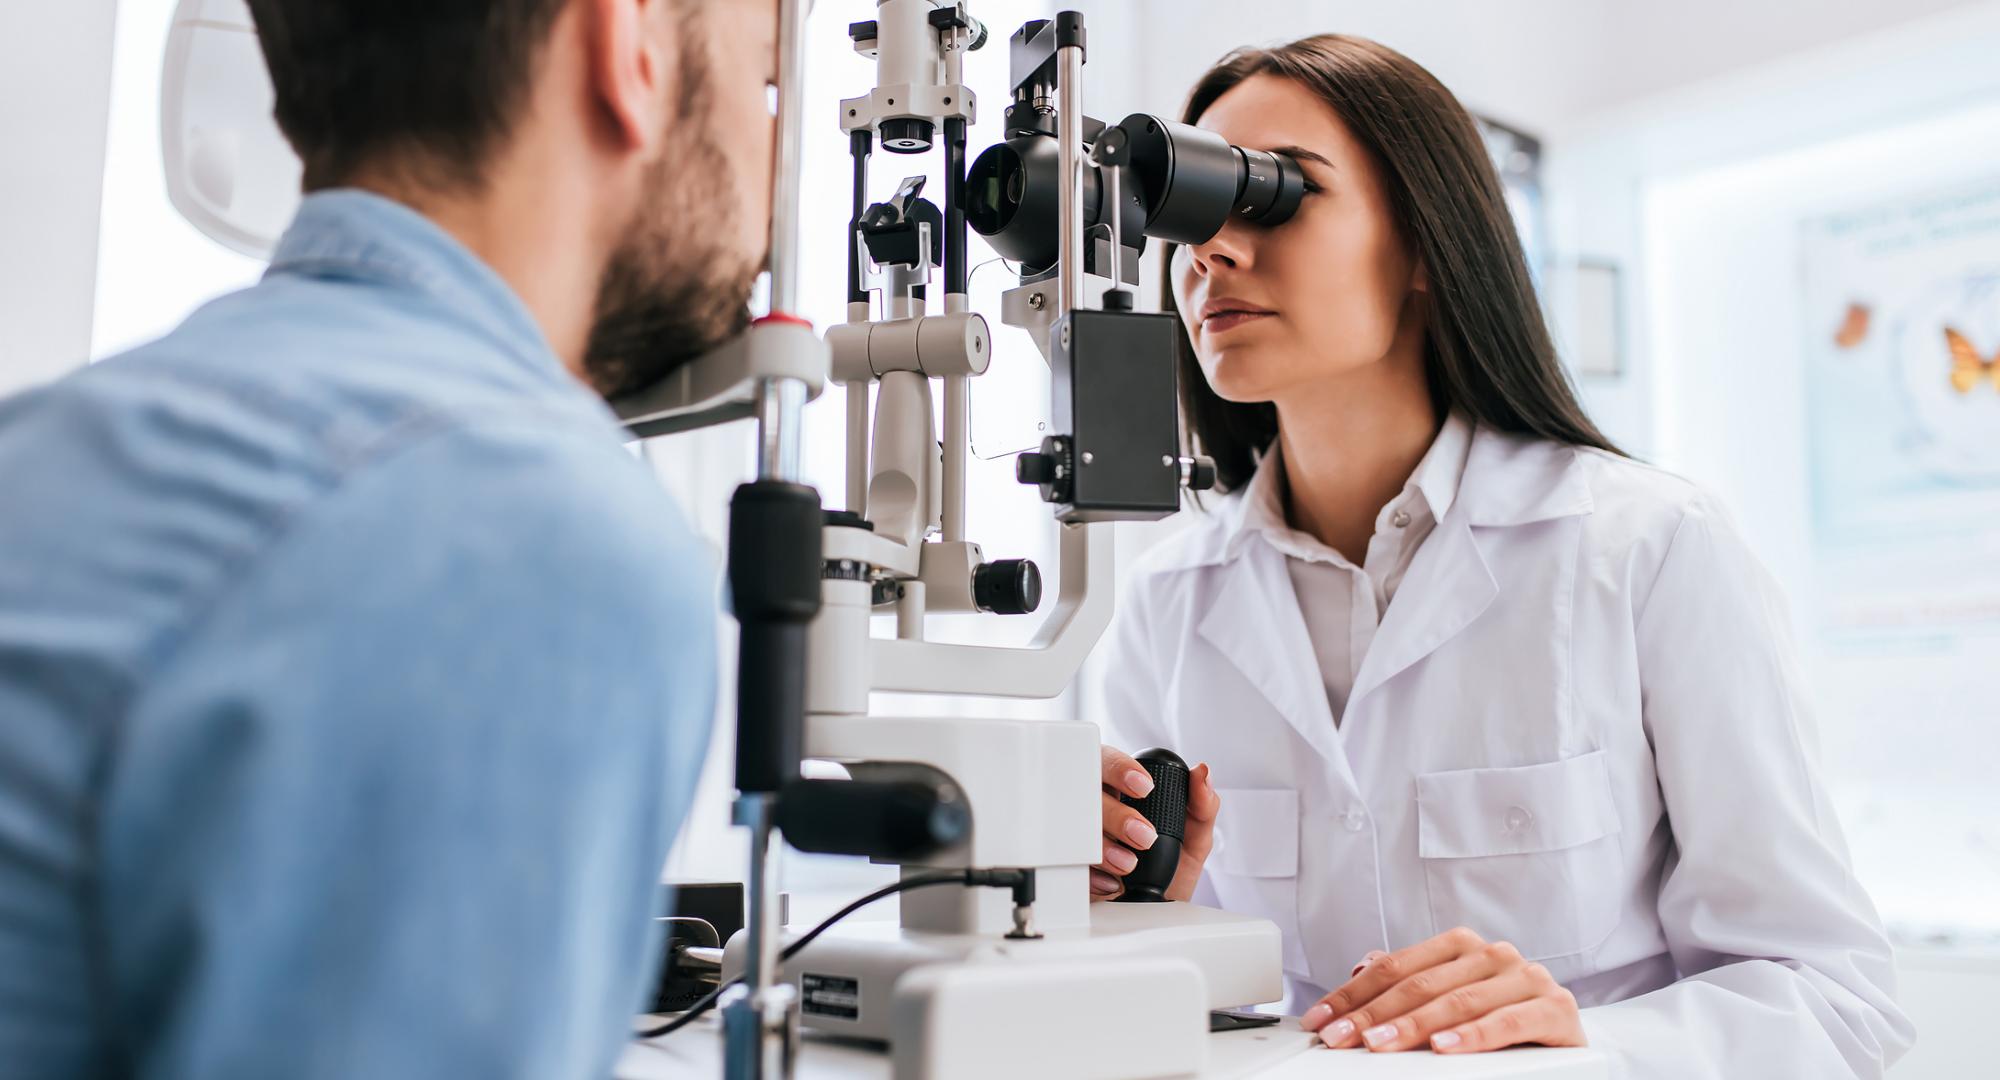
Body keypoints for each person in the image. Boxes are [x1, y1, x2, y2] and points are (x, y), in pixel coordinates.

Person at [1090, 34, 1913, 1079]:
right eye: (1192, 210)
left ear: (1428, 242)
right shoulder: (1165, 599)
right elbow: (1176, 990)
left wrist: (1583, 1034)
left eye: (1271, 194)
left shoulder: (1648, 549)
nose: (1212, 249)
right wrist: (1101, 906)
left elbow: (1832, 997)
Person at [0, 1, 776, 1076]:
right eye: (765, 75)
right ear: (628, 47)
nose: (770, 151)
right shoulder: (526, 525)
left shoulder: (50, 445)